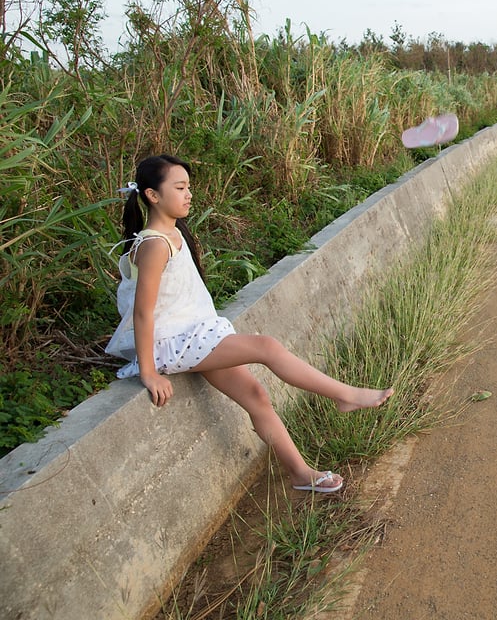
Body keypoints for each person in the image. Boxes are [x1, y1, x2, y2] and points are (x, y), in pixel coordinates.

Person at [106, 154, 393, 493]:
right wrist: (149, 371)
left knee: (256, 395)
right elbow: (143, 312)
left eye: (189, 188)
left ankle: (301, 475)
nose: (189, 194)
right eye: (180, 187)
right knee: (266, 347)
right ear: (153, 195)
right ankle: (345, 395)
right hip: (171, 343)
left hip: (195, 334)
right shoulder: (154, 243)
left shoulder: (172, 234)